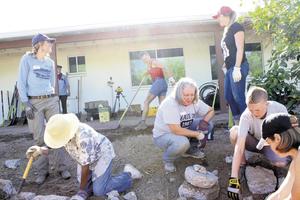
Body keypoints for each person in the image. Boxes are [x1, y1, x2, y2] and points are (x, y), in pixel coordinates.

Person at [26, 113, 142, 200]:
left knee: (99, 191)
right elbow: (57, 141)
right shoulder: (66, 130)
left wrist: (81, 191)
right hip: (85, 158)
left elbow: (85, 167)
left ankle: (129, 175)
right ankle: (96, 183)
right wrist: (41, 149)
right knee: (85, 184)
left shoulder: (83, 138)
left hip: (101, 154)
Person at [17, 33, 71, 184]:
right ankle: (42, 171)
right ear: (40, 44)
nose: (51, 45)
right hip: (34, 103)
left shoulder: (50, 62)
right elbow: (20, 82)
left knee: (57, 133)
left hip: (50, 100)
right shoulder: (26, 59)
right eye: (49, 43)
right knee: (39, 137)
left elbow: (52, 82)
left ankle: (62, 168)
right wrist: (26, 103)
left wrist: (54, 97)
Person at [227, 86, 291, 200]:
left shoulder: (279, 109)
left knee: (281, 161)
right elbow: (239, 147)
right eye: (251, 109)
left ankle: (277, 169)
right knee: (234, 132)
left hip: (271, 146)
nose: (254, 113)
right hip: (254, 143)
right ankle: (242, 166)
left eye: (257, 110)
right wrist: (233, 179)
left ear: (266, 104)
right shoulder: (246, 116)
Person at [153, 77, 215, 173]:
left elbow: (211, 111)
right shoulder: (170, 103)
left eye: (192, 94)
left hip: (182, 128)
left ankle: (190, 149)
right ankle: (168, 160)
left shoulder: (194, 101)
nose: (189, 98)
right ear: (178, 93)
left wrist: (204, 123)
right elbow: (176, 130)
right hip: (163, 135)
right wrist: (197, 134)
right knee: (182, 142)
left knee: (209, 125)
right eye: (186, 95)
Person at [213, 6, 249, 123]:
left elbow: (240, 48)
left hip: (238, 66)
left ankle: (247, 124)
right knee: (228, 96)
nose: (218, 20)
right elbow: (228, 51)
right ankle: (238, 122)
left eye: (218, 17)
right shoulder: (227, 30)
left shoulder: (236, 27)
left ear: (225, 16)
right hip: (230, 68)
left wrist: (237, 68)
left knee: (239, 97)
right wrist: (225, 64)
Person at [261, 113, 300, 200]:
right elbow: (282, 192)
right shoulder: (296, 156)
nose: (270, 148)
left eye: (269, 143)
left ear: (277, 138)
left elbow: (295, 198)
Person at [135, 52, 175, 131]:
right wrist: (146, 73)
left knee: (146, 102)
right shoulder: (149, 65)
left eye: (145, 58)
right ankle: (167, 123)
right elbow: (153, 71)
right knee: (162, 105)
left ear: (148, 56)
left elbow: (164, 67)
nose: (145, 61)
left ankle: (143, 123)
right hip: (163, 83)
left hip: (158, 82)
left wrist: (171, 79)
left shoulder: (154, 61)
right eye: (143, 60)